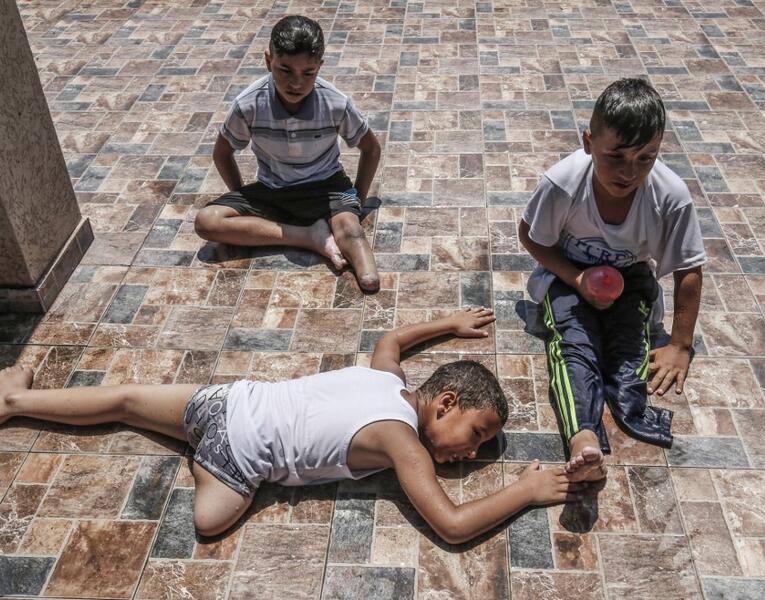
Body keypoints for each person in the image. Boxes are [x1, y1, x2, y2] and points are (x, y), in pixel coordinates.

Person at [0, 308, 587, 543]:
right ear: (445, 403)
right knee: (209, 523)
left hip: (228, 398)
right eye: (478, 435)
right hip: (236, 455)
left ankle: (16, 402)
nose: (471, 455)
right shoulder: (401, 440)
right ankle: (204, 462)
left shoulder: (387, 378)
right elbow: (453, 526)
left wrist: (446, 324)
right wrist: (525, 491)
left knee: (127, 400)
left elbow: (390, 341)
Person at [517, 78, 706, 482]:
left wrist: (679, 345)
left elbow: (689, 268)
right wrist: (576, 277)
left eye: (645, 157)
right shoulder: (563, 184)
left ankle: (628, 408)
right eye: (615, 156)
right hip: (566, 274)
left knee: (625, 349)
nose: (629, 171)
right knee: (574, 343)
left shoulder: (670, 196)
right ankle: (582, 434)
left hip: (632, 278)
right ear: (588, 142)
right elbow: (530, 236)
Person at [193, 15, 382, 293]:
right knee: (206, 222)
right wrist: (243, 197)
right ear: (269, 61)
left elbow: (371, 148)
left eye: (309, 73)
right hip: (273, 189)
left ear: (320, 67)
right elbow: (222, 153)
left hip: (328, 188)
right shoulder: (249, 104)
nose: (297, 82)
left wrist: (357, 200)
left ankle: (308, 231)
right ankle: (309, 237)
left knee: (362, 262)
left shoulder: (334, 102)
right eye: (285, 70)